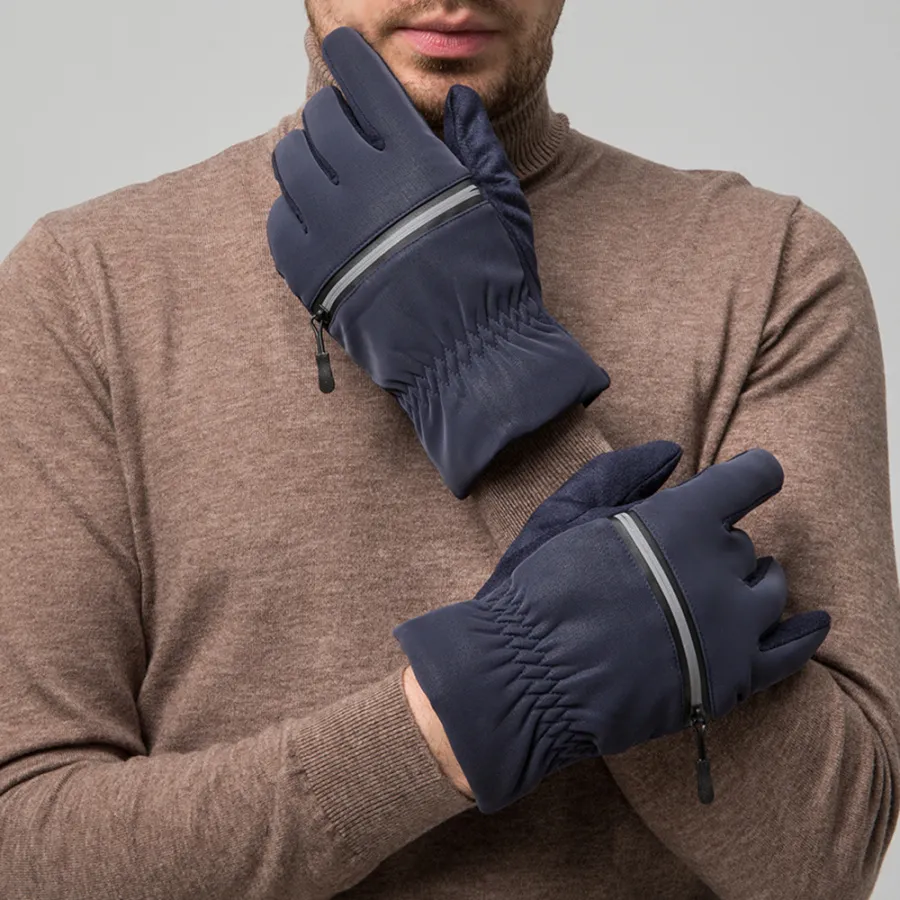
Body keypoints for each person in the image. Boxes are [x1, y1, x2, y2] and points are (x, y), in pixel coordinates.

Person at [0, 1, 897, 898]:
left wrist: (492, 382)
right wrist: (465, 717)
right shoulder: (86, 288)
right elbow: (27, 849)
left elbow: (826, 850)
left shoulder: (769, 268)